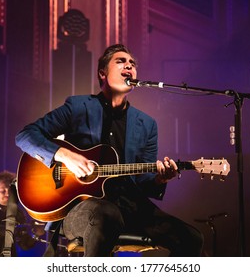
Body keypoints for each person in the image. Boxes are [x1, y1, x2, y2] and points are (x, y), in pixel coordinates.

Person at [15, 44, 204, 256]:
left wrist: (160, 179)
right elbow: (25, 136)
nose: (129, 66)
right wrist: (65, 156)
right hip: (83, 209)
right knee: (107, 214)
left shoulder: (147, 124)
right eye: (121, 61)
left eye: (132, 63)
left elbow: (144, 183)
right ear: (102, 73)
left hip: (131, 208)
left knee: (192, 238)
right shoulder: (78, 107)